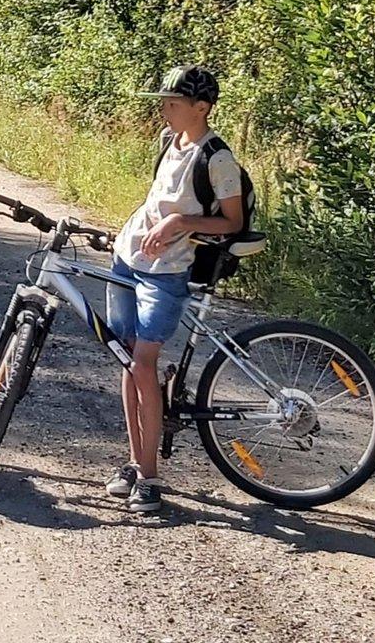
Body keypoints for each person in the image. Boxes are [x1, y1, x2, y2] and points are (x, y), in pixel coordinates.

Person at [105, 65, 246, 513]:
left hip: (168, 270)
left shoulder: (216, 157)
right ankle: (134, 460)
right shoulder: (169, 142)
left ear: (200, 108)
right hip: (129, 258)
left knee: (144, 362)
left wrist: (180, 222)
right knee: (127, 358)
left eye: (173, 103)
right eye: (163, 101)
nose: (164, 109)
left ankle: (149, 477)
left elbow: (232, 220)